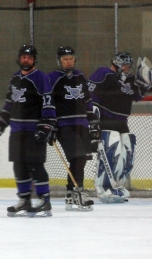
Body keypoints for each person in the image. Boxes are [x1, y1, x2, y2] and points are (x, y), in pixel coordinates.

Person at [88, 53, 152, 203]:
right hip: (106, 119)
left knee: (127, 155)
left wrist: (146, 84)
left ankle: (117, 186)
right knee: (112, 153)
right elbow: (91, 94)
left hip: (122, 121)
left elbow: (138, 95)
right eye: (124, 65)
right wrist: (93, 119)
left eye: (128, 66)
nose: (127, 68)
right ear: (117, 63)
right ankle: (104, 187)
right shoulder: (104, 73)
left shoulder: (128, 80)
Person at [0, 44, 56, 217]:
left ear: (34, 60)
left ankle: (44, 200)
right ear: (19, 58)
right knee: (19, 165)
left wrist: (46, 125)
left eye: (30, 57)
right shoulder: (15, 78)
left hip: (34, 130)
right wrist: (2, 123)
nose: (26, 59)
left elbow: (48, 102)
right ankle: (24, 199)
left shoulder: (40, 77)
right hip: (17, 130)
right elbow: (9, 104)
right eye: (24, 56)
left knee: (35, 164)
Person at [48, 46, 100, 211]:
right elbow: (48, 103)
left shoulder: (80, 76)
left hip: (82, 124)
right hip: (64, 125)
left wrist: (92, 123)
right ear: (59, 61)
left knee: (82, 158)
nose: (68, 61)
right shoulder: (53, 78)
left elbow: (87, 101)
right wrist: (51, 125)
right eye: (65, 59)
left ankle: (71, 194)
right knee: (77, 157)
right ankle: (78, 193)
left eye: (71, 58)